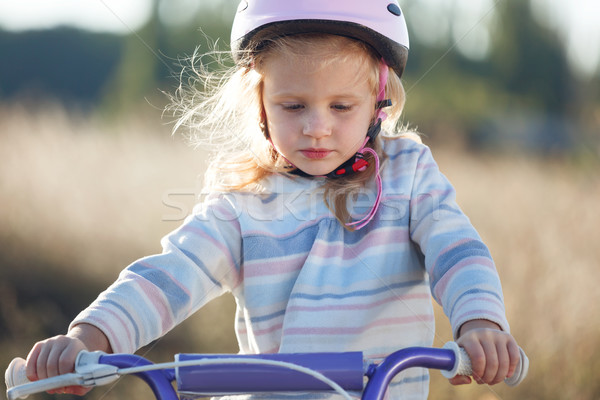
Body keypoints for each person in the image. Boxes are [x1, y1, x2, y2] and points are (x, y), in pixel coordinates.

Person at [23, 1, 522, 399]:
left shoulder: (408, 173)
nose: (316, 127)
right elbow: (173, 272)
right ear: (260, 103)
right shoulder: (242, 199)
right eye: (293, 105)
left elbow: (456, 248)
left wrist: (479, 322)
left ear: (379, 101)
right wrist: (90, 338)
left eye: (341, 106)